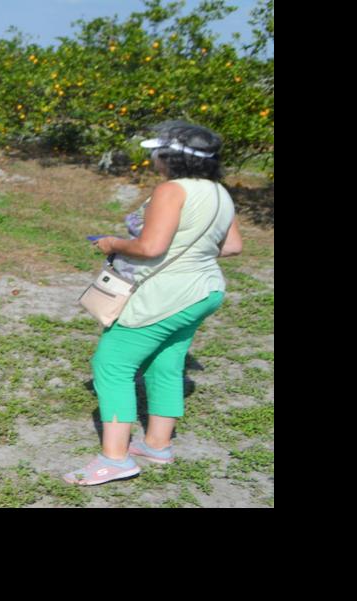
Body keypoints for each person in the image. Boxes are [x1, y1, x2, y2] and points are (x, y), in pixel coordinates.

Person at [65, 121, 244, 486]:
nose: (152, 158)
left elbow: (150, 248)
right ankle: (157, 445)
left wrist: (112, 243)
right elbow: (232, 246)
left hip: (165, 295)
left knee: (111, 363)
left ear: (170, 156)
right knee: (166, 361)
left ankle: (115, 460)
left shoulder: (171, 190)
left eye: (156, 152)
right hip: (204, 290)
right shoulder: (219, 192)